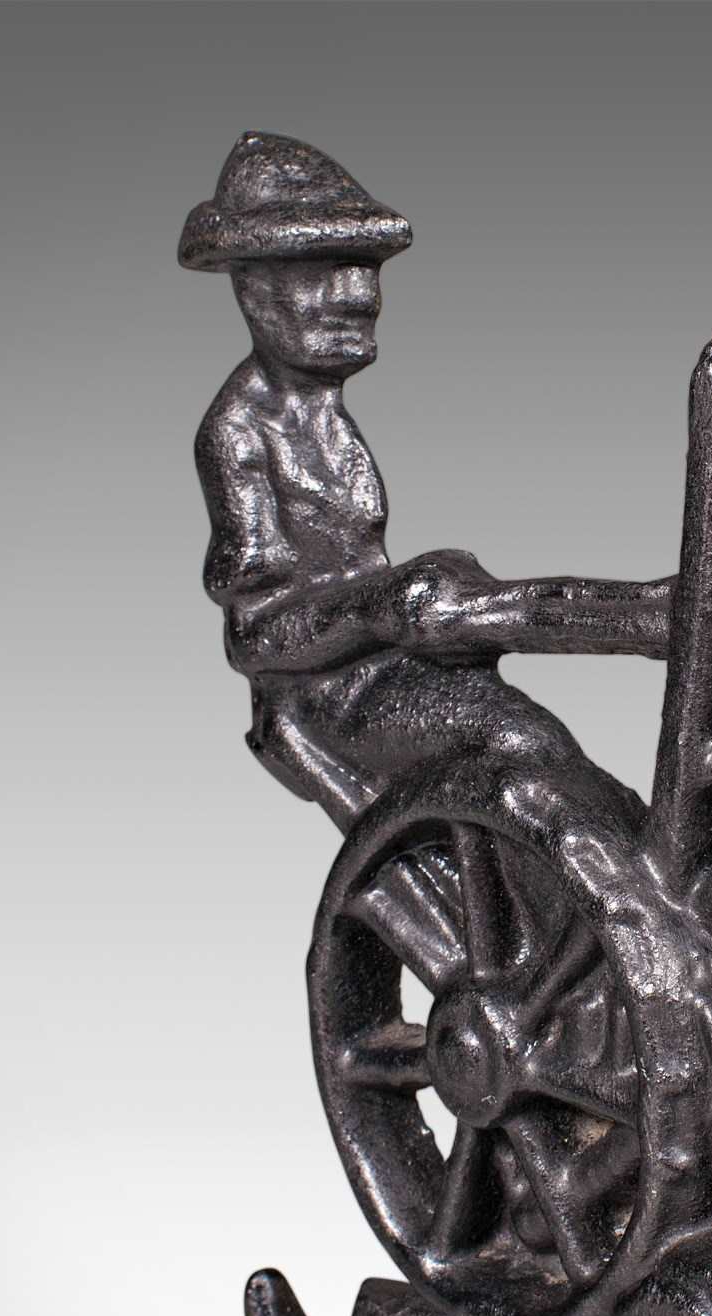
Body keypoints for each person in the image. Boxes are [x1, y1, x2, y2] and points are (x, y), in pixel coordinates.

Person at [181, 131, 581, 826]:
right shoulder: (238, 433)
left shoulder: (323, 415)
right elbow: (253, 638)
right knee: (521, 745)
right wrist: (379, 607)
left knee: (540, 749)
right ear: (252, 288)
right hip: (327, 694)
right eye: (324, 271)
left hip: (388, 662)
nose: (359, 296)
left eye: (366, 269)